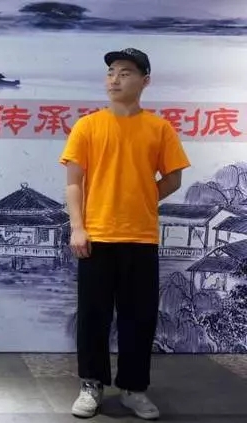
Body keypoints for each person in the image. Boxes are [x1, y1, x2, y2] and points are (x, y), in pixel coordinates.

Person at [59, 48, 191, 420]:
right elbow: (74, 182)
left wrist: (142, 198)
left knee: (138, 318)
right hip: (97, 237)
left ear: (145, 81)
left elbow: (174, 178)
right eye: (111, 72)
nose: (115, 79)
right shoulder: (88, 126)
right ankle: (91, 384)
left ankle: (134, 389)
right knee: (93, 316)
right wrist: (78, 227)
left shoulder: (159, 128)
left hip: (141, 238)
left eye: (125, 72)